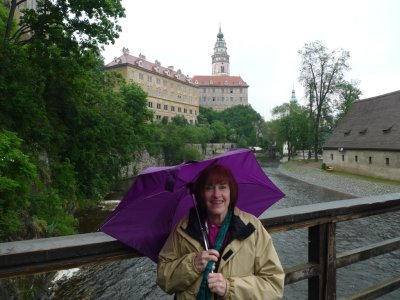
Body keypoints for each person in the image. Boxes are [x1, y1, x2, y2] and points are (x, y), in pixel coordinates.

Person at [157, 163, 285, 299]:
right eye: (209, 188)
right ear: (201, 194)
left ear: (231, 192)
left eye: (223, 187)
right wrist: (192, 264)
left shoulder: (252, 228)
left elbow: (273, 286)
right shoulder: (183, 228)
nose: (216, 195)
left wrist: (229, 288)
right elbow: (163, 278)